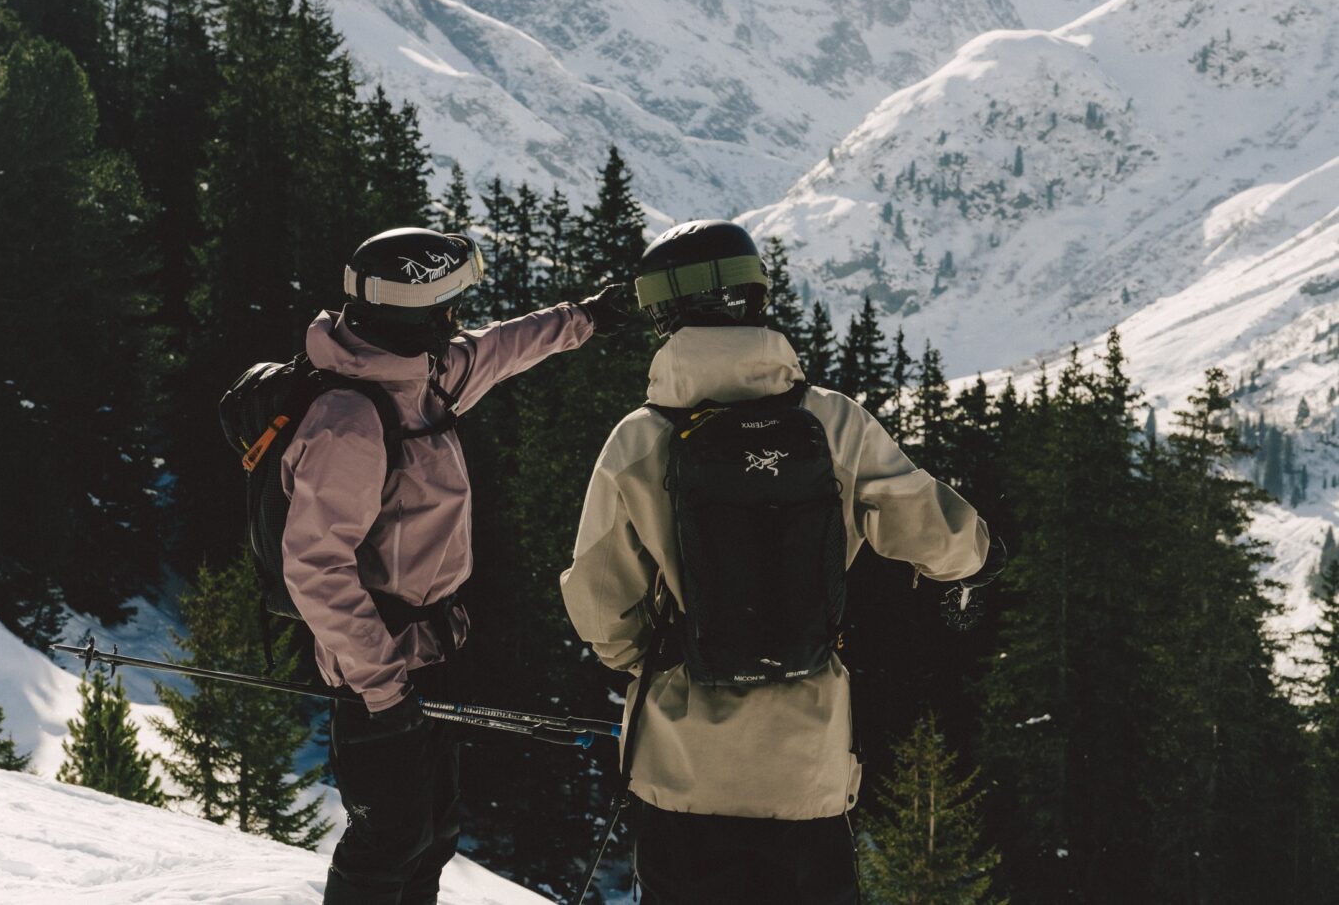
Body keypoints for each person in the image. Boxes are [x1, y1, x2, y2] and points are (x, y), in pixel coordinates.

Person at [560, 220, 996, 905]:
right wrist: (979, 558)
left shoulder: (639, 440)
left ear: (663, 315)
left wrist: (658, 660)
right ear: (755, 296)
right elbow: (932, 530)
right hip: (805, 775)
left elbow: (600, 601)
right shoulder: (832, 422)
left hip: (681, 774)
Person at [282, 225, 629, 905]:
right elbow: (314, 566)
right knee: (387, 840)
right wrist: (383, 686)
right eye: (445, 310)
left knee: (432, 832)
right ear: (412, 314)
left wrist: (587, 317)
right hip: (377, 667)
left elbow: (502, 348)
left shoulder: (420, 376)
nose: (456, 322)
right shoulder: (350, 421)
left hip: (430, 650)